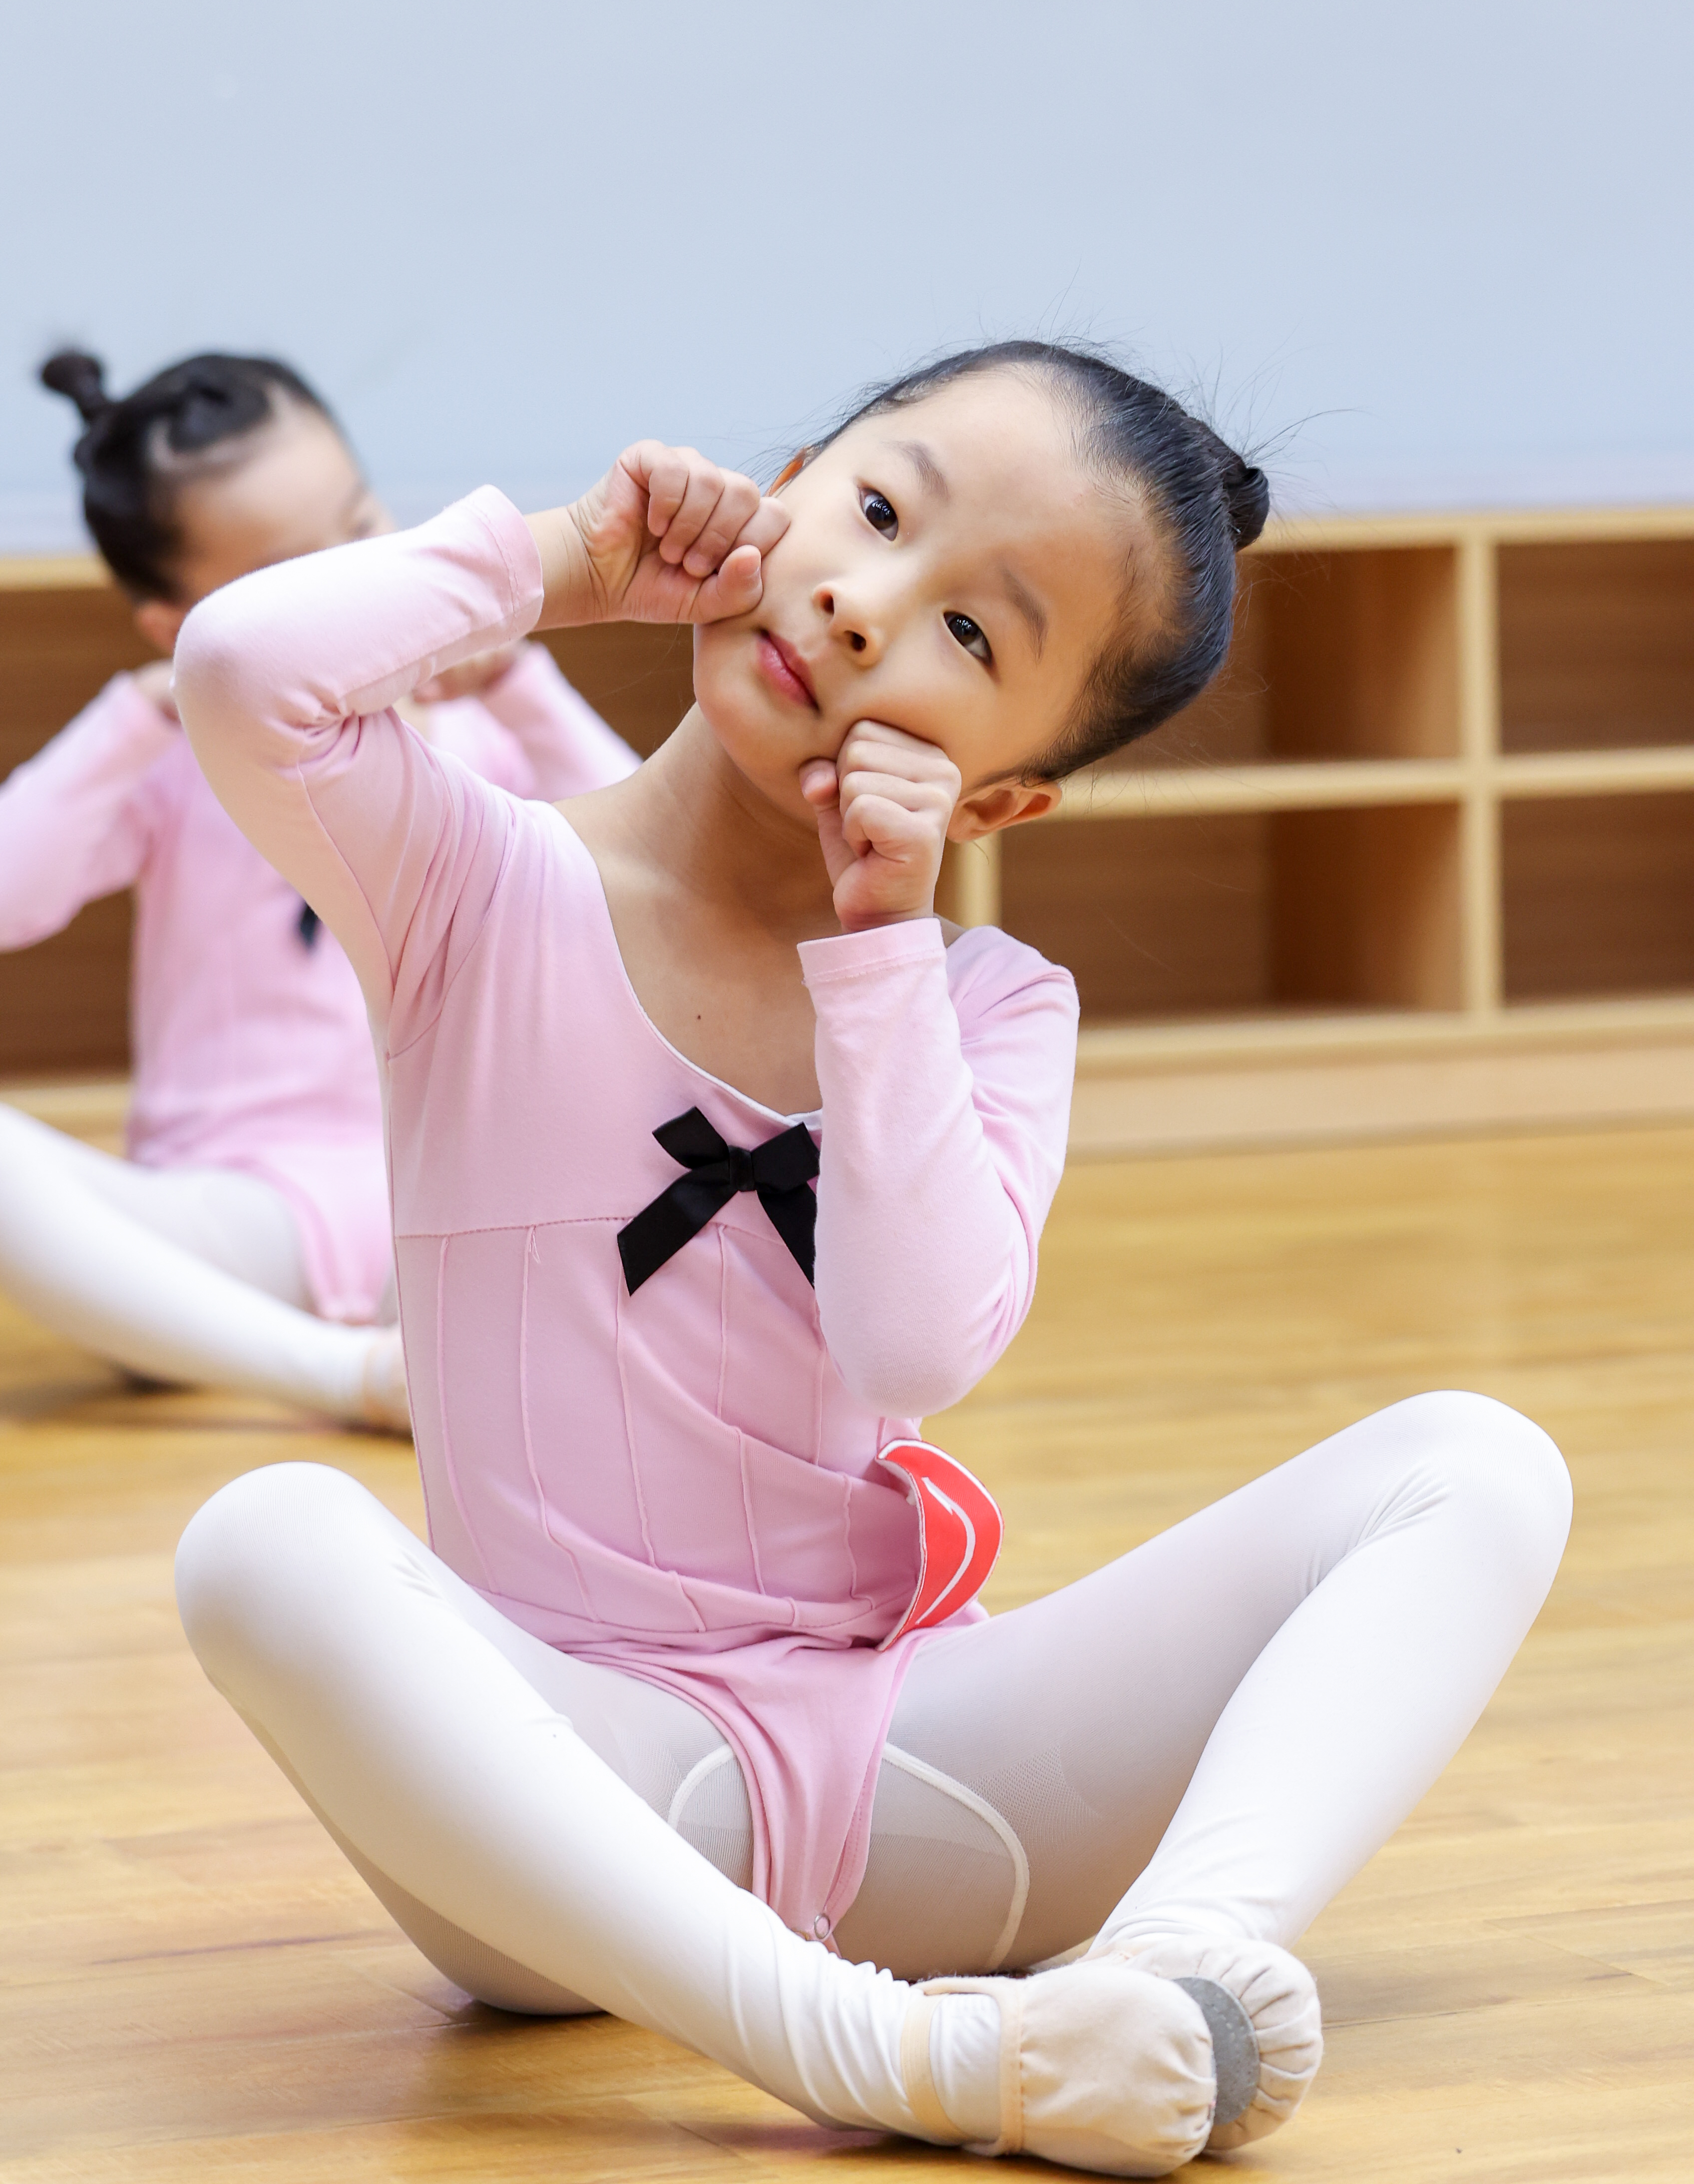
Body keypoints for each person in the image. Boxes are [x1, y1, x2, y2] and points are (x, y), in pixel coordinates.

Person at [168, 343, 1571, 2173]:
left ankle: (1171, 1975)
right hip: (564, 1801)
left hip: (917, 1768)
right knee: (264, 1538)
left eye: (973, 635)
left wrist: (884, 948)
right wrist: (569, 558)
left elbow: (915, 1342)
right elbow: (242, 670)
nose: (864, 605)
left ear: (1000, 800)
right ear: (789, 480)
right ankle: (877, 2052)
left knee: (1479, 1466)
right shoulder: (470, 883)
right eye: (883, 508)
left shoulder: (987, 1001)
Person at [0, 349, 636, 1430]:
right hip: (230, 1228)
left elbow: (642, 875)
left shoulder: (479, 734)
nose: (355, 583)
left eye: (363, 527)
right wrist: (143, 713)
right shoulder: (173, 758)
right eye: (296, 577)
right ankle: (335, 1376)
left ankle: (401, 1352)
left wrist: (524, 686)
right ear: (181, 626)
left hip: (446, 1206)